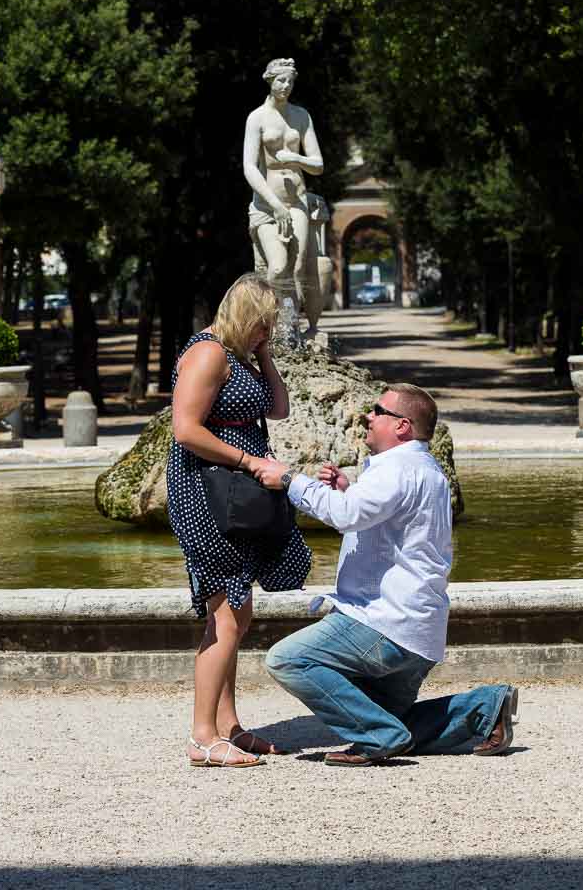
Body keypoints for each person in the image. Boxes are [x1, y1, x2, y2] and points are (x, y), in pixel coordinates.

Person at [256, 384, 518, 766]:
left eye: (378, 410)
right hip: (419, 633)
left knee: (287, 659)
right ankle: (483, 708)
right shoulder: (427, 471)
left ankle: (378, 736)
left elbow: (345, 516)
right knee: (388, 721)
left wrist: (289, 479)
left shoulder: (396, 468)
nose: (368, 416)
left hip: (383, 625)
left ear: (402, 426)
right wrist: (348, 491)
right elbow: (375, 520)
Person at [168, 274, 312, 768]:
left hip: (235, 492)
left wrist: (265, 355)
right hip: (207, 492)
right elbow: (185, 429)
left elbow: (278, 406)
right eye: (264, 324)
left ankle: (228, 726)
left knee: (238, 612)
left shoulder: (239, 356)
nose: (267, 331)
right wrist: (248, 461)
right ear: (247, 316)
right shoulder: (208, 354)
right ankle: (203, 736)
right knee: (226, 613)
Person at [243, 57, 324, 336]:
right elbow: (249, 167)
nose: (286, 86)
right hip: (268, 204)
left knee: (298, 265)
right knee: (277, 268)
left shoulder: (301, 116)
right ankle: (274, 323)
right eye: (281, 80)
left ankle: (289, 329)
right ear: (269, 80)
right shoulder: (257, 118)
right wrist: (275, 205)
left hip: (297, 201)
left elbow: (318, 164)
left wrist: (294, 157)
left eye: (290, 81)